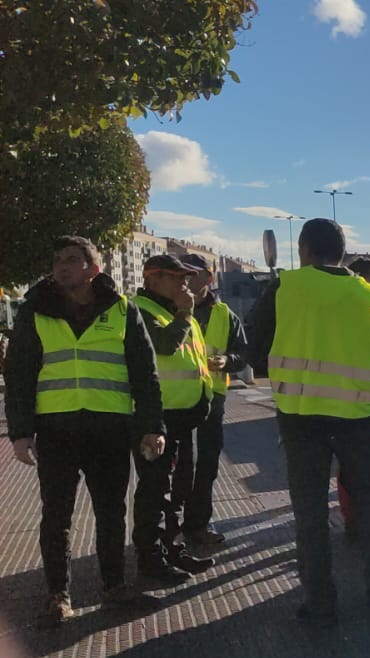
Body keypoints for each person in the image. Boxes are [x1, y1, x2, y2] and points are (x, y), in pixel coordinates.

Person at [246, 218, 370, 625]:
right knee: (369, 503)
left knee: (311, 511)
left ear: (304, 249)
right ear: (342, 251)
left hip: (300, 417)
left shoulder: (285, 287)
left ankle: (320, 603)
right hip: (357, 418)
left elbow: (252, 345)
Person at [3, 236, 166, 625]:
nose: (62, 266)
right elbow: (19, 375)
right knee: (55, 515)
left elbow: (145, 375)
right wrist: (20, 432)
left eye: (72, 260)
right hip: (55, 429)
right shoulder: (35, 311)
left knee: (111, 512)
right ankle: (58, 596)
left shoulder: (122, 310)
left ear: (93, 268)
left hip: (109, 428)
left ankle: (114, 588)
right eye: (58, 260)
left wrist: (151, 427)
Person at [130, 255, 216, 584]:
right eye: (176, 277)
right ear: (152, 278)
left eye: (185, 277)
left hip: (182, 416)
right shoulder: (141, 310)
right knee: (155, 489)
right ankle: (150, 559)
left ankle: (171, 548)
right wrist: (184, 313)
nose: (184, 283)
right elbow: (165, 347)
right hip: (155, 418)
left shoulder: (175, 310)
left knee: (176, 489)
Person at [174, 253, 248, 547]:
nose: (188, 280)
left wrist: (228, 360)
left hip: (211, 400)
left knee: (206, 465)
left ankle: (197, 525)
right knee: (178, 467)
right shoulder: (166, 309)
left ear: (209, 277)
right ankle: (170, 528)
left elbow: (243, 353)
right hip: (175, 401)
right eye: (183, 274)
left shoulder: (225, 314)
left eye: (194, 273)